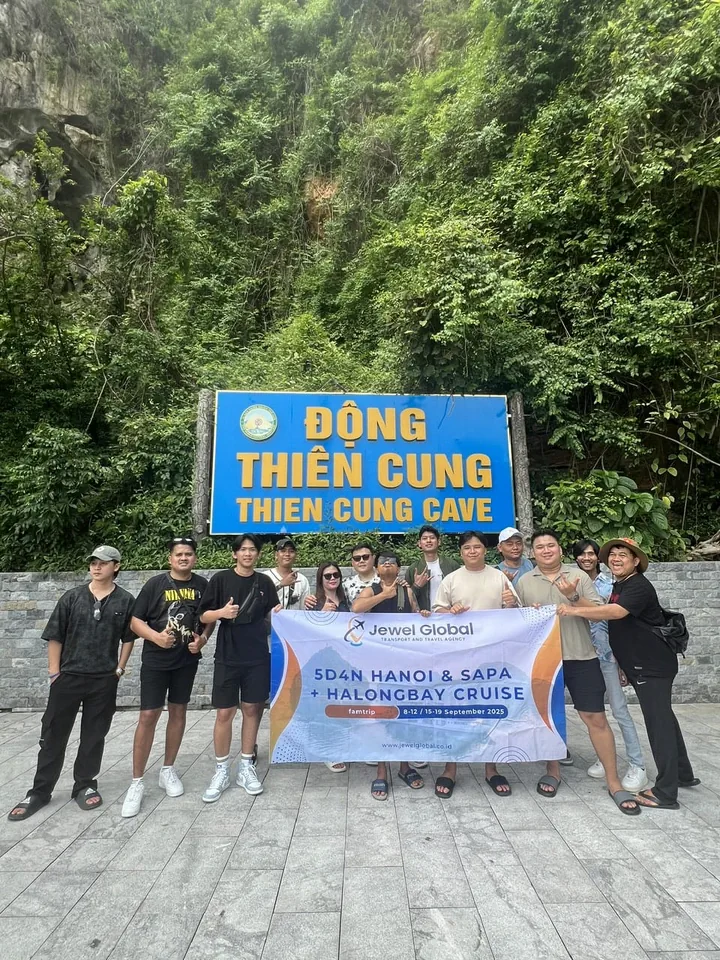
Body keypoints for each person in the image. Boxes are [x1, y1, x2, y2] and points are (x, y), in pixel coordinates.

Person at [559, 537, 698, 810]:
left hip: (651, 666)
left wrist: (571, 609)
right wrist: (574, 597)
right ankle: (682, 774)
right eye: (612, 554)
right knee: (665, 719)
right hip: (640, 665)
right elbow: (601, 611)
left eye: (623, 554)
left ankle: (666, 793)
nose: (616, 558)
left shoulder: (637, 586)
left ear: (636, 561)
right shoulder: (621, 584)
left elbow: (614, 612)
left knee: (658, 725)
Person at [515, 530, 640, 815]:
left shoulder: (579, 576)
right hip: (543, 662)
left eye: (551, 545)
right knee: (548, 717)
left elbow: (600, 612)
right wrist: (526, 612)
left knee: (595, 718)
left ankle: (613, 782)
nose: (546, 550)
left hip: (582, 657)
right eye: (540, 547)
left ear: (560, 550)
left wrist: (573, 598)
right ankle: (553, 771)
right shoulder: (524, 582)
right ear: (532, 553)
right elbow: (517, 623)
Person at [8, 546, 135, 821]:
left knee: (94, 735)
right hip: (68, 677)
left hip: (103, 679)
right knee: (53, 735)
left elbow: (129, 637)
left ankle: (85, 785)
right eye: (93, 562)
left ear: (116, 566)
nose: (96, 567)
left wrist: (120, 668)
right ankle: (40, 792)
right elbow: (55, 635)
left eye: (103, 563)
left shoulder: (125, 600)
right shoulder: (72, 597)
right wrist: (54, 673)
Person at [121, 536, 213, 818]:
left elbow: (209, 619)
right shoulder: (155, 584)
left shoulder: (202, 585)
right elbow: (135, 621)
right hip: (156, 660)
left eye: (188, 554)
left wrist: (203, 640)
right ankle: (137, 782)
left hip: (186, 661)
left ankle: (168, 769)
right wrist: (155, 637)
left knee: (178, 712)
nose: (184, 558)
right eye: (179, 554)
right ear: (170, 558)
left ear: (195, 557)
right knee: (148, 715)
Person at [433, 531, 519, 799]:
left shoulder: (499, 577)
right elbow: (437, 612)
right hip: (458, 659)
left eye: (477, 547)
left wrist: (510, 603)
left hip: (491, 658)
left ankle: (491, 768)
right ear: (460, 553)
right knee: (454, 712)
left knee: (489, 711)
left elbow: (515, 615)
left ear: (485, 550)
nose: (472, 551)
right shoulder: (451, 579)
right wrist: (450, 612)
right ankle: (450, 769)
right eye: (467, 548)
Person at [198, 534, 279, 801]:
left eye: (252, 549)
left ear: (258, 554)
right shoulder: (220, 580)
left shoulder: (264, 582)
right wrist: (222, 613)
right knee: (224, 712)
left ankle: (246, 765)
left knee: (252, 709)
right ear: (234, 554)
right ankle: (221, 769)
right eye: (242, 549)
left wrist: (282, 615)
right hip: (228, 655)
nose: (247, 553)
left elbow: (273, 614)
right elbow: (203, 614)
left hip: (257, 655)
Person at [572, 539, 647, 793]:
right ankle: (605, 758)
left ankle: (637, 764)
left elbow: (616, 620)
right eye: (582, 554)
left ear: (598, 558)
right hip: (581, 656)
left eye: (591, 554)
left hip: (607, 656)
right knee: (593, 714)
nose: (587, 558)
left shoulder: (611, 584)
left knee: (619, 710)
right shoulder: (570, 581)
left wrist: (621, 660)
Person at [352, 549, 428, 800]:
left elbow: (416, 616)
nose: (387, 565)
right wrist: (384, 595)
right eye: (383, 562)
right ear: (376, 567)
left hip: (403, 665)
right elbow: (356, 608)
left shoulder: (407, 590)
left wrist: (424, 616)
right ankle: (382, 771)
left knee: (403, 715)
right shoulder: (371, 590)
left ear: (398, 568)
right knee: (381, 716)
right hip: (377, 665)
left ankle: (404, 766)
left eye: (392, 563)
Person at [305, 562, 350, 774]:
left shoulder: (346, 600)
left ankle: (344, 745)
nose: (332, 578)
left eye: (335, 575)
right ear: (320, 579)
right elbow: (305, 632)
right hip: (322, 663)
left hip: (344, 661)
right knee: (325, 706)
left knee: (344, 704)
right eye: (327, 575)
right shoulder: (313, 602)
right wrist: (321, 613)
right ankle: (328, 751)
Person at [405, 524, 460, 612]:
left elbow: (460, 592)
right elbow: (406, 599)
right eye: (424, 538)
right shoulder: (413, 569)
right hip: (423, 617)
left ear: (439, 542)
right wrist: (416, 586)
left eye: (432, 538)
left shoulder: (452, 565)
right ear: (419, 543)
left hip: (448, 615)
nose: (428, 541)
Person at [264, 537, 310, 610]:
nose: (287, 554)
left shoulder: (302, 580)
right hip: (271, 617)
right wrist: (280, 585)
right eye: (283, 551)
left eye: (291, 551)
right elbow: (259, 599)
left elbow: (304, 609)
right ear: (276, 555)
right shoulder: (265, 577)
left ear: (296, 556)